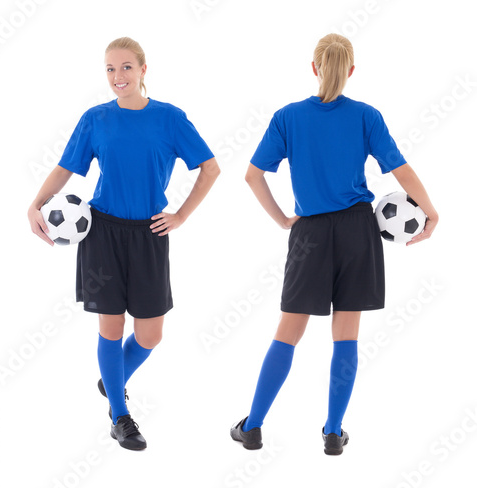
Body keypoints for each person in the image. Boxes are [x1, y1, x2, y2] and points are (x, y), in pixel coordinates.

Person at [230, 33, 438, 455]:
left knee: (288, 333)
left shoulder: (287, 117)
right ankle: (332, 432)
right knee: (346, 337)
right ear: (351, 71)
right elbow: (400, 169)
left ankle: (252, 427)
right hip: (358, 232)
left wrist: (284, 220)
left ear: (314, 68)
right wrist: (431, 211)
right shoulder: (366, 116)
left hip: (310, 233)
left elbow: (253, 175)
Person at [28, 37, 220, 451]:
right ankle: (120, 414)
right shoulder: (96, 119)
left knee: (150, 336)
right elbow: (66, 168)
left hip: (149, 234)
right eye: (111, 69)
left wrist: (181, 215)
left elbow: (210, 167)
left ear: (143, 69)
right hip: (102, 234)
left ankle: (112, 377)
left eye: (127, 67)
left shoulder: (169, 118)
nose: (118, 77)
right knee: (111, 327)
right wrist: (35, 205)